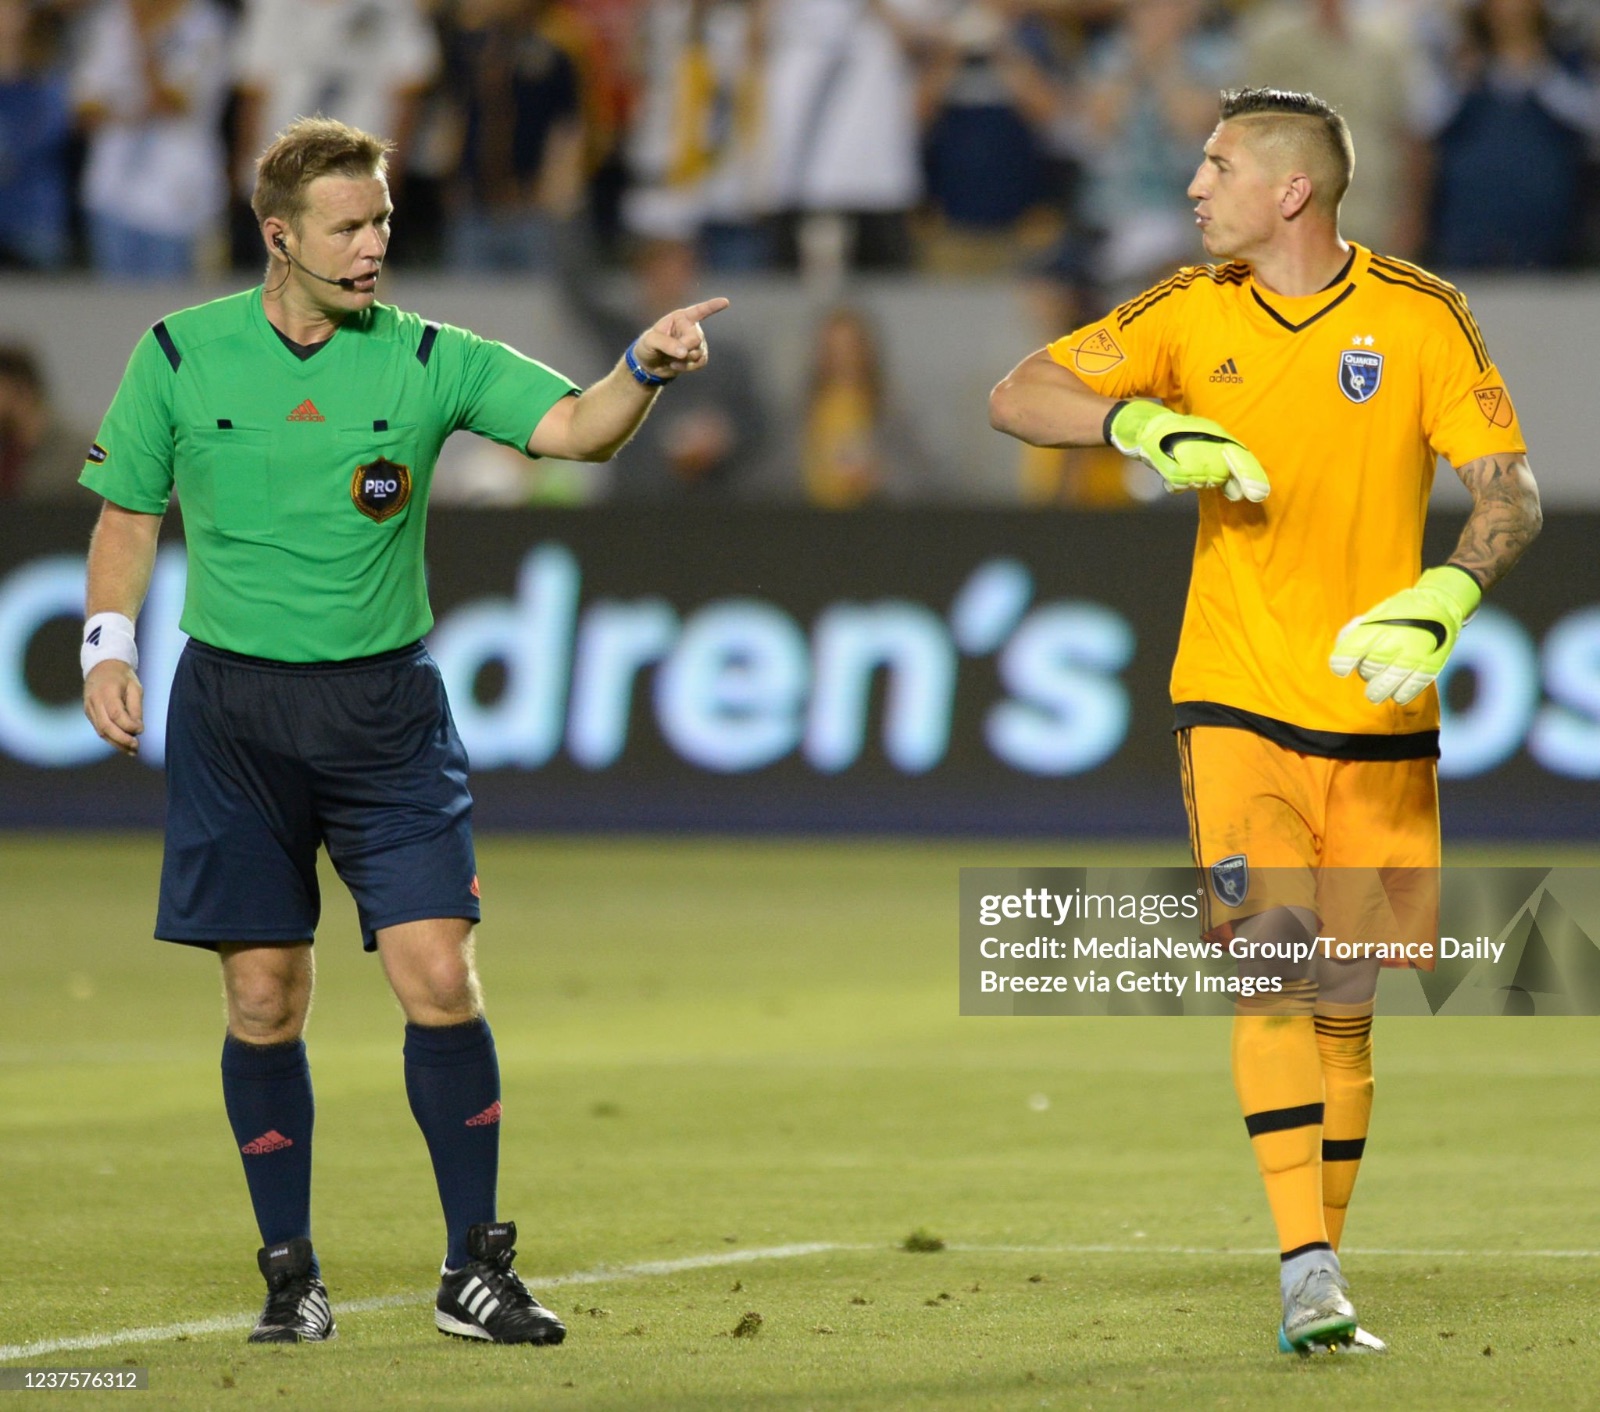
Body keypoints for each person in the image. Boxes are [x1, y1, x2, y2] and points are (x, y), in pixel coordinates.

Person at [78, 116, 728, 1346]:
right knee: (265, 998)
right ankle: (290, 1269)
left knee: (439, 975)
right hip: (233, 717)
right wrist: (107, 645)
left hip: (383, 714)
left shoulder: (430, 356)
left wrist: (639, 367)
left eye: (383, 219)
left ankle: (473, 1266)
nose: (376, 244)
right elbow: (126, 511)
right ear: (280, 236)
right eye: (350, 225)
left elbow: (576, 430)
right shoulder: (178, 353)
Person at [989, 86, 1541, 1353]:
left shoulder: (1420, 316)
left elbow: (1507, 497)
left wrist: (1448, 593)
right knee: (1273, 974)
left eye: (1218, 164)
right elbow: (1020, 394)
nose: (1194, 186)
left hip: (1380, 715)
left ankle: (1322, 1273)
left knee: (1348, 1006)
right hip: (1232, 700)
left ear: (1290, 190)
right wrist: (1136, 420)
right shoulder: (1185, 312)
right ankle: (1303, 1266)